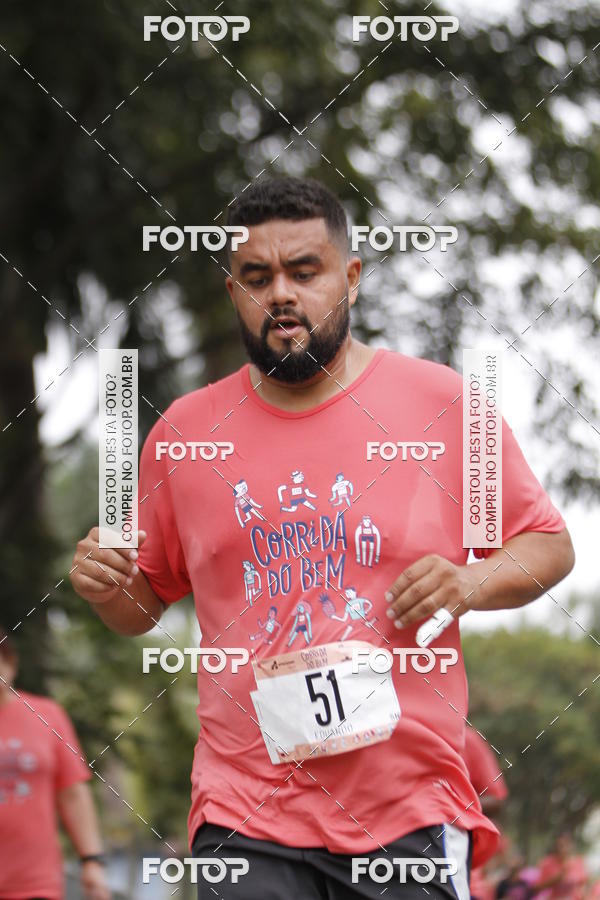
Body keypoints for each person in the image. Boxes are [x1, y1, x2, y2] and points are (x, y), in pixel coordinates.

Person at [70, 177, 575, 899]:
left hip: (407, 810)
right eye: (257, 277)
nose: (282, 294)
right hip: (246, 810)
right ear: (233, 292)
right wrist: (107, 584)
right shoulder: (182, 433)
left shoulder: (445, 405)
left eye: (305, 272)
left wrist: (469, 582)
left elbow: (548, 543)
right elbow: (143, 603)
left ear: (351, 277)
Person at [0, 627, 110, 900]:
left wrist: (91, 861)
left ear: (10, 663)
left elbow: (73, 793)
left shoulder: (47, 715)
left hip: (34, 883)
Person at [463, 726, 508, 900]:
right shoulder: (380, 726)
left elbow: (496, 798)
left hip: (462, 881)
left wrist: (452, 809)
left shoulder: (467, 737)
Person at [535, 833, 587, 899]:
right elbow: (536, 888)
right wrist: (555, 880)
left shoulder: (578, 862)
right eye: (560, 845)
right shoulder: (548, 862)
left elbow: (583, 885)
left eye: (566, 844)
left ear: (572, 845)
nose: (563, 848)